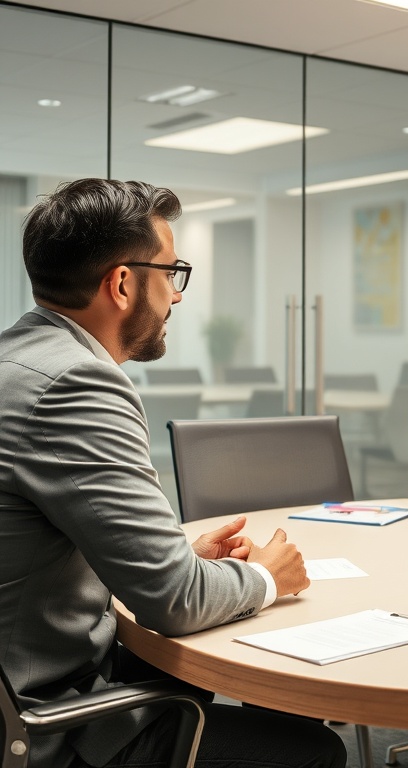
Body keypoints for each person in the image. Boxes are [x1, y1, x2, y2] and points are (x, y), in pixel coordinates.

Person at [0, 179, 346, 768]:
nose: (177, 296)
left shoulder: (18, 359)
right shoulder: (77, 385)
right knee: (312, 751)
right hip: (45, 723)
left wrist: (182, 557)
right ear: (123, 284)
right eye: (171, 272)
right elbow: (175, 601)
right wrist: (266, 576)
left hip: (24, 668)